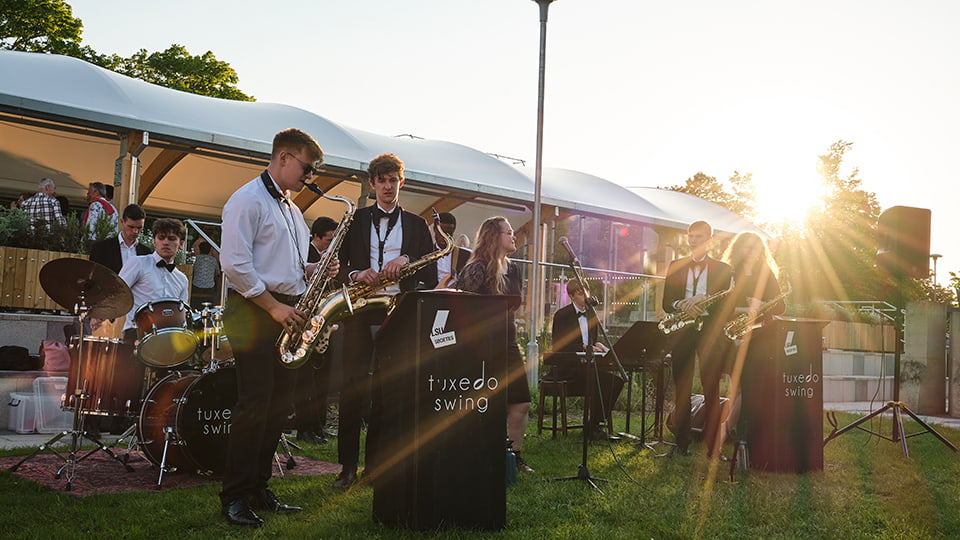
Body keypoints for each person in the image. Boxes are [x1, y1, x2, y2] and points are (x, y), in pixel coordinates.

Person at [218, 128, 336, 527]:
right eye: (307, 167)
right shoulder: (247, 200)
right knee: (255, 404)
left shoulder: (289, 207)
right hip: (253, 311)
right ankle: (233, 496)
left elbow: (285, 268)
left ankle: (257, 487)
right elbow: (235, 265)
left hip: (282, 310)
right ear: (284, 157)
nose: (310, 177)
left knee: (278, 406)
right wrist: (273, 307)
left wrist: (316, 269)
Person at [333, 153, 437, 489]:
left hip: (397, 313)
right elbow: (334, 267)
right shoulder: (355, 220)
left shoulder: (418, 226)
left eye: (394, 180)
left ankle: (374, 466)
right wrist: (356, 272)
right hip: (361, 311)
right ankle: (347, 467)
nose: (388, 186)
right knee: (352, 390)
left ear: (401, 182)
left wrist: (408, 259)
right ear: (372, 183)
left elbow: (432, 274)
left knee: (386, 390)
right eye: (382, 180)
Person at [458, 216, 534, 473]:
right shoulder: (476, 268)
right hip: (480, 344)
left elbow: (516, 302)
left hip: (507, 340)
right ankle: (482, 454)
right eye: (509, 232)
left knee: (521, 401)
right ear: (494, 236)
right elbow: (462, 306)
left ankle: (513, 456)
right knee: (485, 403)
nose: (514, 236)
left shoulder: (513, 268)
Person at [661, 220, 733, 459]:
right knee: (681, 387)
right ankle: (680, 444)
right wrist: (681, 304)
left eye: (698, 236)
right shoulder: (676, 265)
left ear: (710, 240)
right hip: (683, 330)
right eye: (690, 236)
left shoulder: (723, 269)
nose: (693, 240)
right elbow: (666, 301)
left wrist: (704, 299)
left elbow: (726, 305)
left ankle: (714, 447)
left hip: (709, 332)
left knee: (711, 388)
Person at [720, 231, 786, 444]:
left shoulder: (766, 273)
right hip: (732, 334)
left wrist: (759, 306)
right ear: (739, 249)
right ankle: (732, 430)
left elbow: (781, 306)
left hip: (759, 337)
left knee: (747, 385)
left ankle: (732, 429)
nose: (751, 252)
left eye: (756, 248)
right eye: (747, 247)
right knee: (739, 386)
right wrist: (743, 308)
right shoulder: (729, 272)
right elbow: (721, 307)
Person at [548, 279, 625, 440]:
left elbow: (593, 340)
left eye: (586, 291)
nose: (585, 295)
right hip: (568, 369)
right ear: (571, 296)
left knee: (616, 381)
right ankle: (593, 428)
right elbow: (558, 346)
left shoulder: (592, 314)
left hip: (587, 367)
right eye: (581, 293)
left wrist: (602, 347)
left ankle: (594, 424)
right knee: (601, 381)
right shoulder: (562, 315)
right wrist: (583, 347)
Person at [293, 216, 338, 445]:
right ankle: (304, 427)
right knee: (306, 380)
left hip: (324, 323)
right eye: (329, 240)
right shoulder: (305, 255)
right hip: (307, 324)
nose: (332, 245)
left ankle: (318, 425)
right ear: (316, 237)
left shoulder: (328, 258)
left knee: (322, 378)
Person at [89, 204, 150, 275]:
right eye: (131, 227)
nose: (135, 231)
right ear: (122, 222)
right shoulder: (101, 248)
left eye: (139, 228)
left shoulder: (147, 253)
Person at [434, 211, 470, 288]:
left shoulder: (466, 255)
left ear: (453, 233)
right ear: (434, 230)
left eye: (448, 233)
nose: (443, 237)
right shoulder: (424, 253)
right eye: (440, 232)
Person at [190, 239, 221, 309]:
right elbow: (217, 273)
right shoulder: (213, 260)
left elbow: (192, 271)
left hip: (196, 286)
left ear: (199, 249)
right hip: (210, 288)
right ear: (210, 250)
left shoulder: (195, 259)